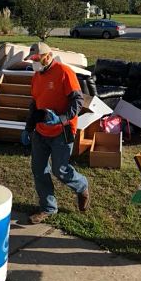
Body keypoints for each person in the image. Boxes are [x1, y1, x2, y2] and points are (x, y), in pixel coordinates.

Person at [21, 42, 90, 224]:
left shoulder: (64, 72)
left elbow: (78, 101)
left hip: (62, 130)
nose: (34, 62)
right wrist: (28, 128)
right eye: (32, 59)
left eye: (37, 59)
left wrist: (61, 118)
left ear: (48, 56)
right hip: (41, 131)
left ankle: (81, 186)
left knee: (60, 170)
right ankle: (48, 208)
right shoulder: (36, 76)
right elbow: (34, 105)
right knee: (38, 169)